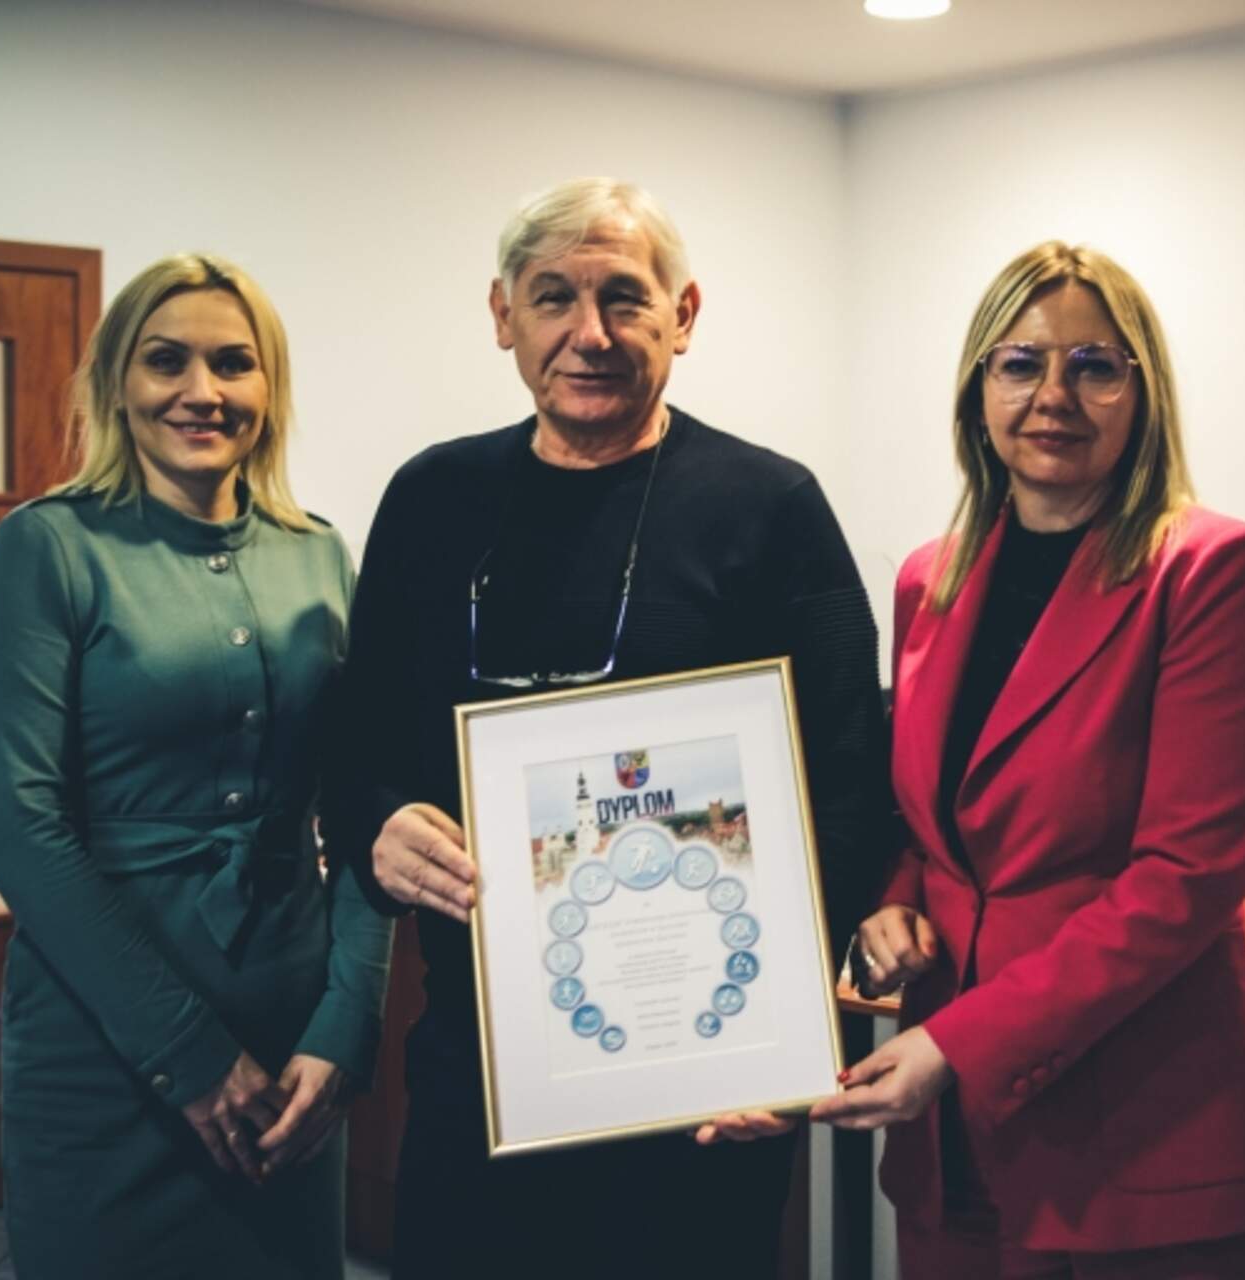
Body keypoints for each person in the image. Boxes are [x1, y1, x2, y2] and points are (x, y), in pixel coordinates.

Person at [324, 176, 888, 1277]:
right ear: (504, 316)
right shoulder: (433, 499)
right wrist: (376, 826)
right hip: (482, 1068)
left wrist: (787, 1030)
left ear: (684, 314)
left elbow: (850, 779)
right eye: (553, 297)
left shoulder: (772, 507)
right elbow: (357, 743)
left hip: (709, 1083)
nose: (590, 333)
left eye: (625, 297)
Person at [810, 242, 1245, 1278]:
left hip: (1146, 1130)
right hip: (953, 1137)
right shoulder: (929, 580)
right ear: (978, 389)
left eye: (1094, 366)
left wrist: (959, 1044)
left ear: (1143, 392)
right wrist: (894, 903)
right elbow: (932, 816)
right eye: (1020, 363)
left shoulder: (1212, 571)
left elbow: (1184, 879)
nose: (1054, 395)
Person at [0, 254, 393, 1279]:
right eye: (167, 361)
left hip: (292, 1032)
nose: (202, 391)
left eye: (234, 363)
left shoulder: (318, 552)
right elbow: (19, 829)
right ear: (117, 382)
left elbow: (364, 802)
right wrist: (188, 1054)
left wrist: (349, 1021)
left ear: (268, 387)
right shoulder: (49, 547)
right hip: (102, 1036)